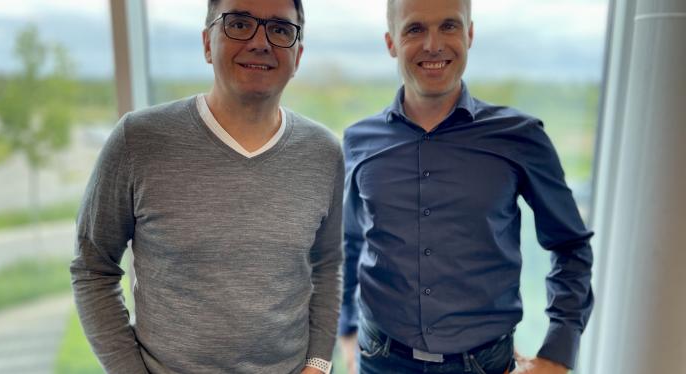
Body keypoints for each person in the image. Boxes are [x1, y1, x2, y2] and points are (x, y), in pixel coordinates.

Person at [70, 0, 342, 373]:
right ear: (206, 43)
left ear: (298, 56)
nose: (261, 42)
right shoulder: (139, 140)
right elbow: (92, 267)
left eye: (280, 29)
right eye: (239, 23)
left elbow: (328, 266)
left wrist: (319, 363)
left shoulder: (324, 152)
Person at [337, 0, 594, 373]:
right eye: (414, 29)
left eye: (449, 26)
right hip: (380, 360)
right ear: (391, 42)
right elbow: (349, 242)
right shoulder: (359, 141)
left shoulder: (520, 137)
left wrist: (557, 353)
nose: (433, 44)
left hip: (485, 365)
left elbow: (570, 246)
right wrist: (346, 328)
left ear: (469, 34)